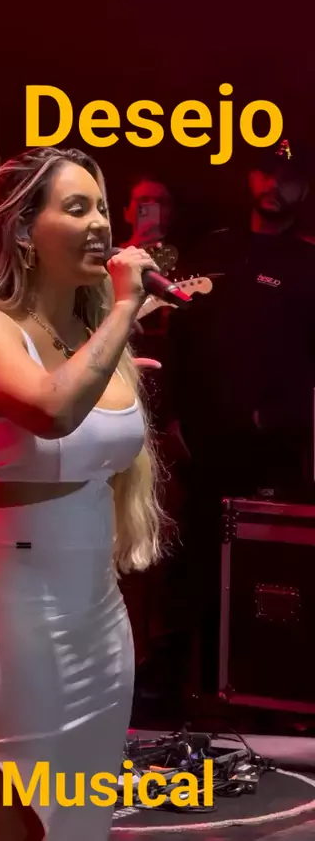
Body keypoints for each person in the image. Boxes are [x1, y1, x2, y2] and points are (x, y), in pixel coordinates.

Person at [0, 146, 166, 840]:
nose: (101, 225)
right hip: (7, 614)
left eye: (103, 208)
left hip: (96, 612)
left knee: (80, 823)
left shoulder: (87, 332)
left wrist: (112, 337)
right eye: (77, 208)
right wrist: (125, 309)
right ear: (24, 230)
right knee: (8, 823)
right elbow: (51, 411)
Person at [165, 138, 315, 694]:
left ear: (305, 189)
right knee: (189, 569)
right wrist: (170, 418)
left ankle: (261, 690)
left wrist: (276, 418)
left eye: (290, 178)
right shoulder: (212, 250)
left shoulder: (308, 264)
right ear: (251, 178)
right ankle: (174, 689)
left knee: (263, 574)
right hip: (200, 446)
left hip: (273, 453)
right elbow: (177, 337)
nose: (276, 186)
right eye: (267, 173)